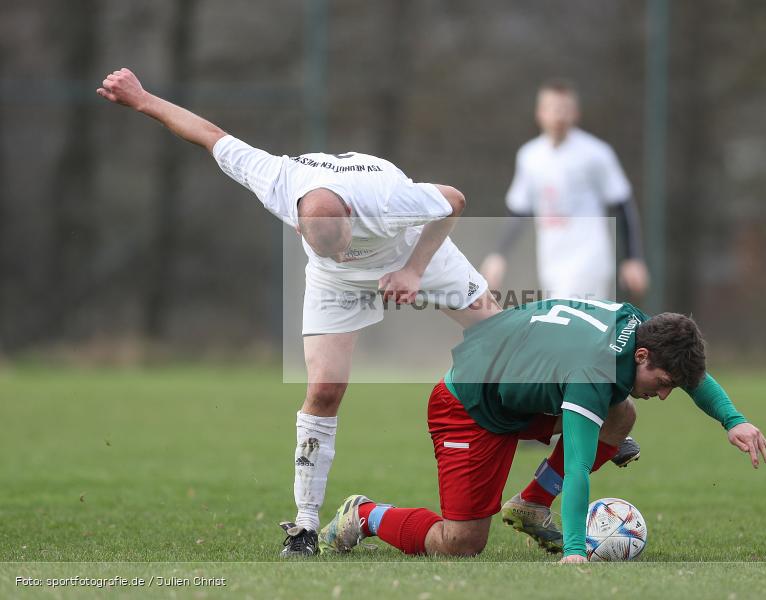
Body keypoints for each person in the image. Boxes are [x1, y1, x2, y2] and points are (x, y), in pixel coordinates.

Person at [96, 67, 507, 556]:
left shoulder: (387, 200)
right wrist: (142, 99)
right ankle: (306, 524)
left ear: (351, 216)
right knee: (324, 389)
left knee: (505, 343)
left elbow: (454, 200)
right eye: (327, 247)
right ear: (296, 225)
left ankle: (552, 473)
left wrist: (414, 270)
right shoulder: (277, 181)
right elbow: (208, 135)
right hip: (336, 286)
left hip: (416, 255)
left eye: (343, 243)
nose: (341, 251)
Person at [315, 298, 766, 562]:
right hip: (467, 407)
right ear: (641, 357)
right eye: (665, 383)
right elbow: (579, 469)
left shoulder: (638, 326)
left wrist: (734, 420)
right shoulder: (593, 373)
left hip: (519, 394)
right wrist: (575, 551)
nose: (667, 394)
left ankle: (531, 504)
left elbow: (688, 373)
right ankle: (365, 514)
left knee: (622, 414)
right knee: (461, 543)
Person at [480, 79, 649, 302]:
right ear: (540, 113)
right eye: (552, 108)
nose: (559, 115)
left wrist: (633, 258)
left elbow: (622, 203)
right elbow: (518, 210)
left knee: (569, 318)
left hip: (588, 259)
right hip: (551, 260)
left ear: (576, 114)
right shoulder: (529, 156)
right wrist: (498, 255)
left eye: (565, 109)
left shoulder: (596, 153)